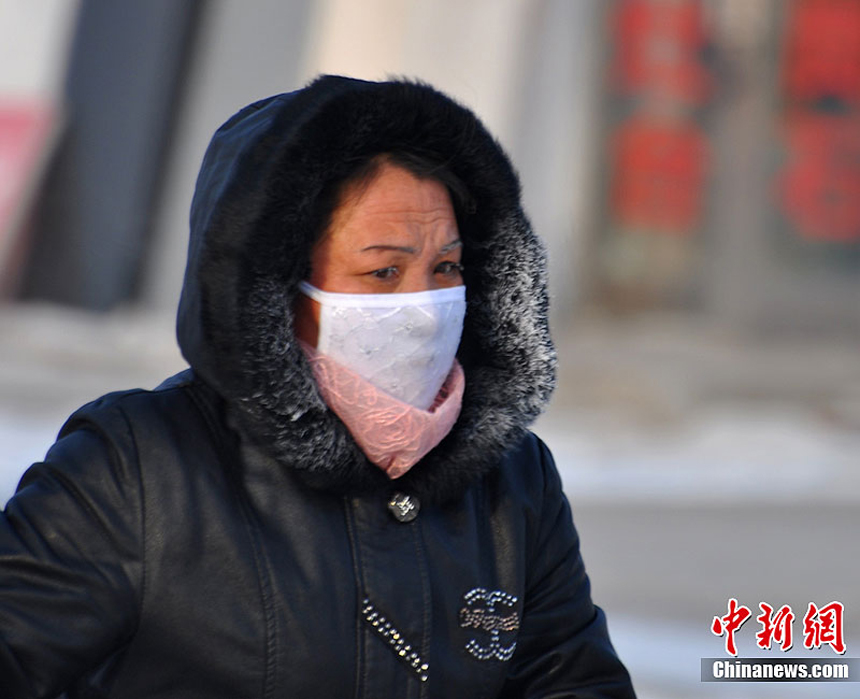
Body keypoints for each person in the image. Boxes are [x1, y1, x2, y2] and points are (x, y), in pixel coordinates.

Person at [0, 75, 635, 698]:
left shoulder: (511, 481)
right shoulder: (138, 466)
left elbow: (573, 680)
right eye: (383, 271)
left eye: (445, 267)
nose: (423, 306)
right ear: (274, 286)